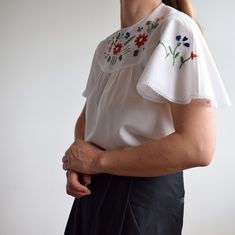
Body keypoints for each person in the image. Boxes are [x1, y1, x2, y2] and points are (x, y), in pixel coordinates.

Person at [62, 0, 232, 234]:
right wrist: (80, 164)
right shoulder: (106, 46)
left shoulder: (176, 28)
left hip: (141, 201)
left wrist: (97, 161)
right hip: (93, 194)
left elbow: (198, 147)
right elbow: (89, 119)